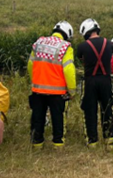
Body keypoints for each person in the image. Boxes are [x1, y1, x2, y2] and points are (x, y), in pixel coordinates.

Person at [27, 21, 77, 149]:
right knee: (57, 118)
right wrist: (72, 90)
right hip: (57, 92)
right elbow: (68, 69)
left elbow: (30, 65)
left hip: (37, 89)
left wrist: (35, 81)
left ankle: (37, 144)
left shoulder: (38, 43)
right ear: (67, 34)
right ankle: (58, 144)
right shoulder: (65, 47)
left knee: (37, 117)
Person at [75, 18, 113, 146]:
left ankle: (92, 140)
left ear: (85, 32)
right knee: (107, 108)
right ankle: (109, 138)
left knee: (90, 110)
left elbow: (81, 58)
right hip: (106, 80)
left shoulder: (82, 46)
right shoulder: (109, 44)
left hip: (90, 81)